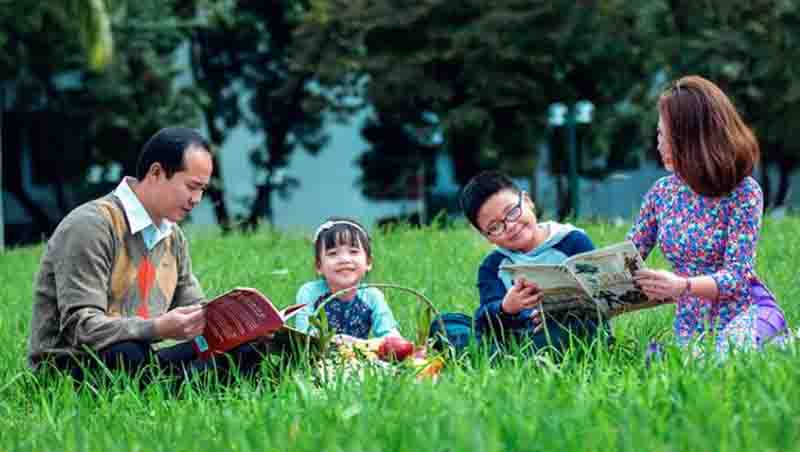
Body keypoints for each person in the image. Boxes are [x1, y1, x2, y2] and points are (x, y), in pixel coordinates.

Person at [28, 127, 262, 381]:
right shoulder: (91, 225)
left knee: (243, 348)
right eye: (191, 187)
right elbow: (81, 328)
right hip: (73, 366)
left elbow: (197, 311)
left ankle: (177, 385)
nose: (197, 199)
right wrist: (156, 328)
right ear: (156, 173)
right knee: (128, 353)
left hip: (141, 358)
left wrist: (247, 327)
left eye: (202, 189)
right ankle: (182, 385)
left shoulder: (172, 236)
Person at [629, 75, 788, 358]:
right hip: (691, 326)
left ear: (690, 139)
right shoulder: (662, 192)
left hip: (746, 314)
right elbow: (627, 255)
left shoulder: (744, 193)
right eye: (658, 135)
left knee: (726, 357)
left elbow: (737, 277)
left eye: (664, 136)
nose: (658, 145)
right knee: (667, 362)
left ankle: (780, 342)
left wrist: (682, 286)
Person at [460, 171, 610, 355]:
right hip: (519, 335)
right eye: (495, 227)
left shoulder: (572, 241)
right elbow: (484, 320)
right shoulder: (493, 266)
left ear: (528, 201)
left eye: (512, 212)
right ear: (486, 236)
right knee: (447, 323)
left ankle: (502, 356)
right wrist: (505, 308)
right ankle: (509, 354)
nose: (510, 226)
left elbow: (600, 298)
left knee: (576, 328)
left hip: (569, 331)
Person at [293, 218, 402, 343]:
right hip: (319, 354)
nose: (344, 259)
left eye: (353, 252)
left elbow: (392, 338)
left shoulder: (372, 297)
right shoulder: (309, 292)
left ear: (368, 262)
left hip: (359, 353)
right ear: (319, 266)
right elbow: (303, 336)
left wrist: (356, 343)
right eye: (333, 253)